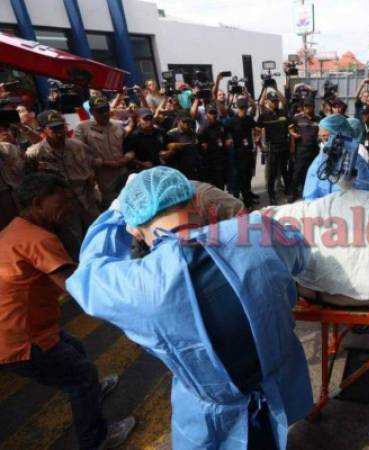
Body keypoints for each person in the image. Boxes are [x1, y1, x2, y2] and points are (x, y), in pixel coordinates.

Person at [66, 166, 313, 450]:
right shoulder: (256, 230)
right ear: (197, 201)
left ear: (134, 230)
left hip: (214, 421)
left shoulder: (135, 286)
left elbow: (88, 271)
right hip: (277, 390)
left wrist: (115, 212)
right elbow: (298, 255)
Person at [0, 173, 135, 450]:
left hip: (28, 325)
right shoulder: (38, 238)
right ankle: (96, 440)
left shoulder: (16, 228)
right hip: (20, 339)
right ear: (38, 203)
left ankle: (93, 393)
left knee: (74, 347)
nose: (68, 209)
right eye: (60, 202)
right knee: (80, 375)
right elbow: (77, 286)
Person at [25, 110, 101, 259]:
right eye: (54, 129)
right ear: (43, 130)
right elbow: (31, 181)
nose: (60, 132)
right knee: (75, 245)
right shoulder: (35, 153)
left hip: (87, 199)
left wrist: (95, 190)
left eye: (61, 127)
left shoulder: (78, 146)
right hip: (62, 208)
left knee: (98, 236)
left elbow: (92, 168)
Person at [303, 114, 369, 200]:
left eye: (326, 138)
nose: (324, 142)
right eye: (320, 138)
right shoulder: (319, 161)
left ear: (340, 135)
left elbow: (367, 193)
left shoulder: (356, 161)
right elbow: (310, 194)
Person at [75, 97, 130, 208]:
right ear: (91, 112)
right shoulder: (82, 129)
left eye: (106, 109)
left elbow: (130, 147)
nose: (105, 114)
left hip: (124, 174)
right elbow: (80, 155)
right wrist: (103, 163)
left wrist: (127, 158)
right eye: (100, 111)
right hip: (103, 179)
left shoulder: (117, 125)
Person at [257, 91, 290, 204]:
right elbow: (256, 132)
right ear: (267, 102)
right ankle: (271, 195)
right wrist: (261, 146)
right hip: (272, 148)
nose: (275, 102)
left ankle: (288, 191)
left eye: (276, 100)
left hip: (284, 147)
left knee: (285, 171)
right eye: (272, 100)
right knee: (272, 173)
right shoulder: (263, 116)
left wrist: (276, 88)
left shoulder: (283, 113)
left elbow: (284, 102)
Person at [225, 98, 258, 208]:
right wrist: (228, 139)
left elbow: (257, 128)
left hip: (248, 152)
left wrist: (257, 137)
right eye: (242, 108)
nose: (244, 110)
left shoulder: (249, 119)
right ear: (238, 108)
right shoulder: (232, 121)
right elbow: (223, 131)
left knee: (248, 177)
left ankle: (248, 197)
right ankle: (246, 204)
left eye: (245, 108)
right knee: (240, 178)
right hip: (238, 153)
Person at [288, 100, 320, 201]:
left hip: (314, 149)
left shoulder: (318, 119)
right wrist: (292, 133)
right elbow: (290, 128)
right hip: (301, 149)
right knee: (297, 172)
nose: (307, 108)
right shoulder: (297, 118)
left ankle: (309, 192)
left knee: (312, 172)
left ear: (313, 107)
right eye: (305, 106)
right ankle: (293, 193)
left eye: (309, 106)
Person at [163, 110, 205, 182]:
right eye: (185, 122)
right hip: (180, 173)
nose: (187, 124)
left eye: (189, 122)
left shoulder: (193, 133)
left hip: (194, 171)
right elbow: (166, 154)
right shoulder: (171, 134)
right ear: (179, 121)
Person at [0, 122, 25, 229]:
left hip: (19, 201)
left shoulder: (10, 149)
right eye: (0, 131)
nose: (4, 133)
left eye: (6, 129)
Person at [198, 107, 229, 190]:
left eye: (214, 113)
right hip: (210, 162)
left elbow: (225, 137)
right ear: (206, 114)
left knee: (221, 185)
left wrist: (227, 141)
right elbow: (199, 146)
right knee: (213, 187)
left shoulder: (220, 125)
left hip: (221, 159)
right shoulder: (203, 128)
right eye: (211, 113)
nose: (213, 115)